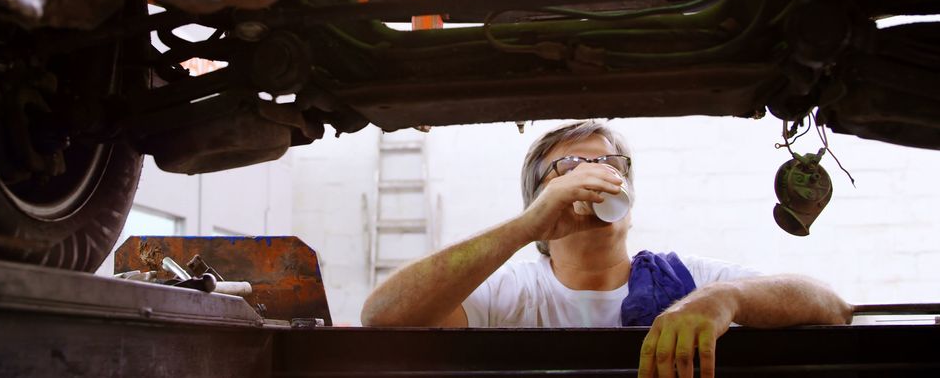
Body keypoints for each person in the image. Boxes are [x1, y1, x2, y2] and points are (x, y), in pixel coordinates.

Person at [361, 120, 852, 378]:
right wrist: (527, 225)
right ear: (539, 195)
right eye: (570, 166)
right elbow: (382, 315)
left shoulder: (684, 281)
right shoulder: (511, 293)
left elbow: (831, 305)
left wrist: (726, 300)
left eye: (608, 163)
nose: (593, 175)